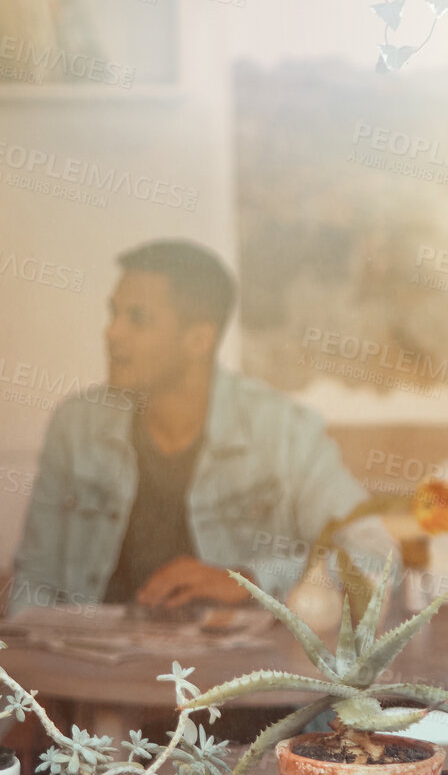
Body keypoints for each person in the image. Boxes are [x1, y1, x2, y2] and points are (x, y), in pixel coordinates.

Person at [9, 239, 390, 615]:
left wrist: (249, 579)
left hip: (235, 673)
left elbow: (376, 557)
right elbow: (34, 579)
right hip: (90, 665)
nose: (112, 333)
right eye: (114, 313)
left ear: (198, 340)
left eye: (137, 319)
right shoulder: (75, 426)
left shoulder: (285, 431)